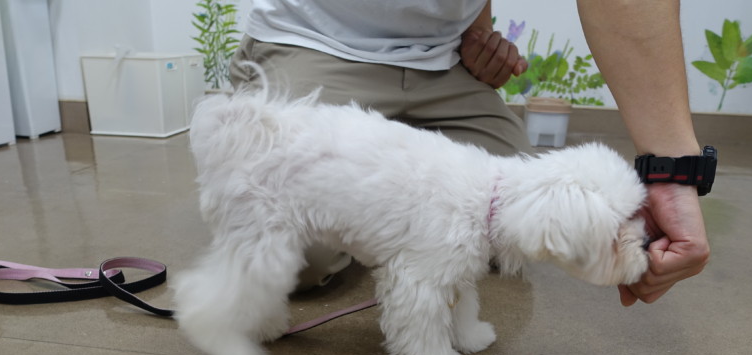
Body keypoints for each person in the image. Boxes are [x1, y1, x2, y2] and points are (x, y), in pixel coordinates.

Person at [229, 0, 710, 306]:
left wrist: (476, 36)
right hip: (314, 40)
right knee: (294, 257)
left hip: (443, 62)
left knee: (509, 228)